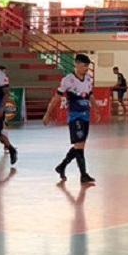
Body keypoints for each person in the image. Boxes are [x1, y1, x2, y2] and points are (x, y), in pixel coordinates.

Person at [43, 53, 100, 183]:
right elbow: (56, 97)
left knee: (80, 146)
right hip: (75, 116)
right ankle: (83, 175)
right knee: (79, 145)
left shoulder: (88, 79)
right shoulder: (68, 80)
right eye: (85, 66)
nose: (87, 68)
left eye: (87, 66)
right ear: (77, 65)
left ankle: (62, 166)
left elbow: (90, 96)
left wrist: (96, 109)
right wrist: (47, 113)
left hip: (85, 116)